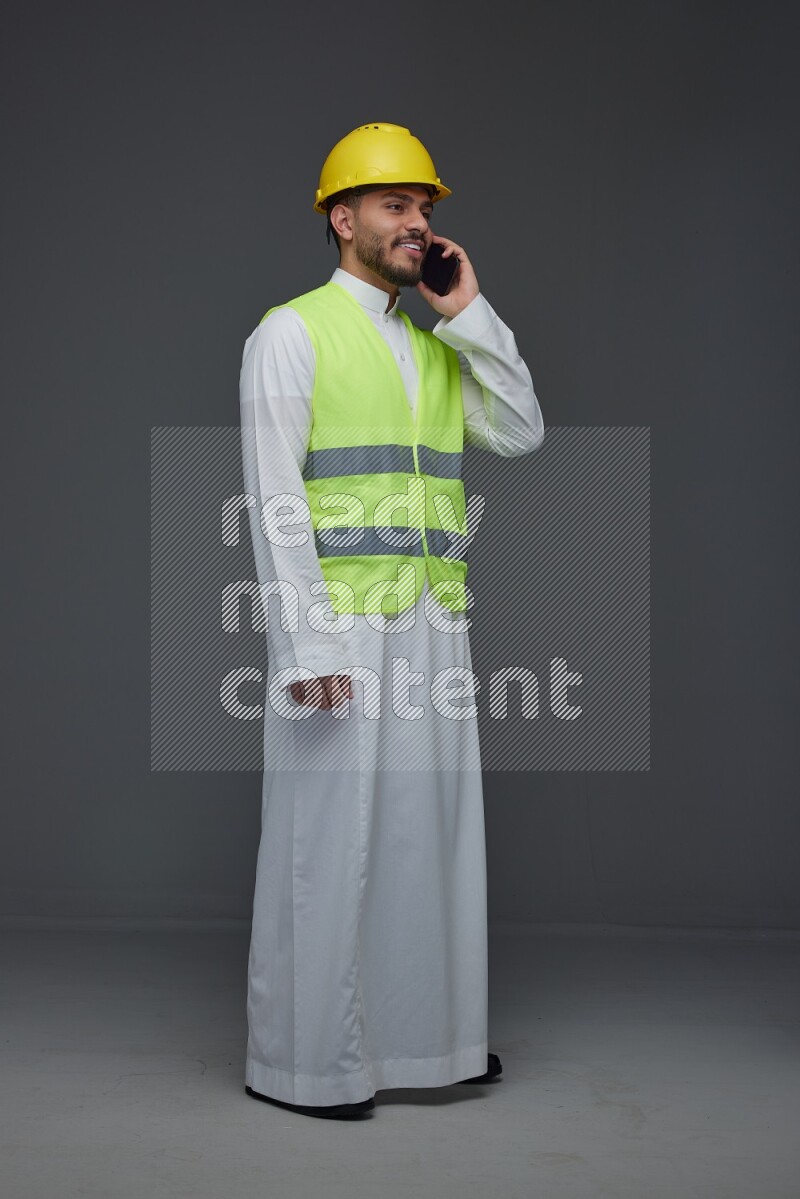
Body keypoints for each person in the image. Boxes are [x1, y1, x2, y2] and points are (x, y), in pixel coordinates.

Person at [238, 122, 544, 1120]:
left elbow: (518, 430)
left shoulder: (433, 343)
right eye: (395, 206)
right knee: (330, 839)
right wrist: (305, 643)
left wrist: (470, 313)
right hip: (342, 628)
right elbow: (275, 497)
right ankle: (307, 1062)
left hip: (430, 620)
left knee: (428, 836)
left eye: (425, 210)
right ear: (343, 219)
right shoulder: (292, 331)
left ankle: (428, 1044)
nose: (418, 224)